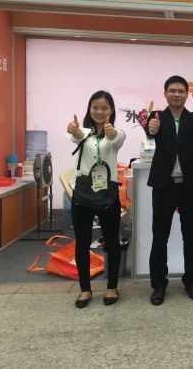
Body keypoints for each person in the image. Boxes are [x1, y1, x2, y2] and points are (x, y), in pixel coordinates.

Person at [147, 75, 193, 305]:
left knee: (190, 237)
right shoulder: (156, 117)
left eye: (181, 91)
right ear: (165, 93)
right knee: (159, 237)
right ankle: (158, 285)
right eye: (172, 90)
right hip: (164, 185)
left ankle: (190, 281)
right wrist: (151, 129)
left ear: (186, 94)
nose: (176, 94)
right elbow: (150, 131)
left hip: (190, 185)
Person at [66, 91, 126, 308]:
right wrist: (73, 129)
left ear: (111, 110)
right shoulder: (83, 132)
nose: (99, 112)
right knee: (82, 243)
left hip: (108, 195)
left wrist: (111, 132)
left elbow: (116, 138)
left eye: (104, 108)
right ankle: (85, 289)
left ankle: (112, 287)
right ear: (89, 109)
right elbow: (75, 134)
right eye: (95, 107)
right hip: (82, 194)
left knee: (112, 242)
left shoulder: (117, 133)